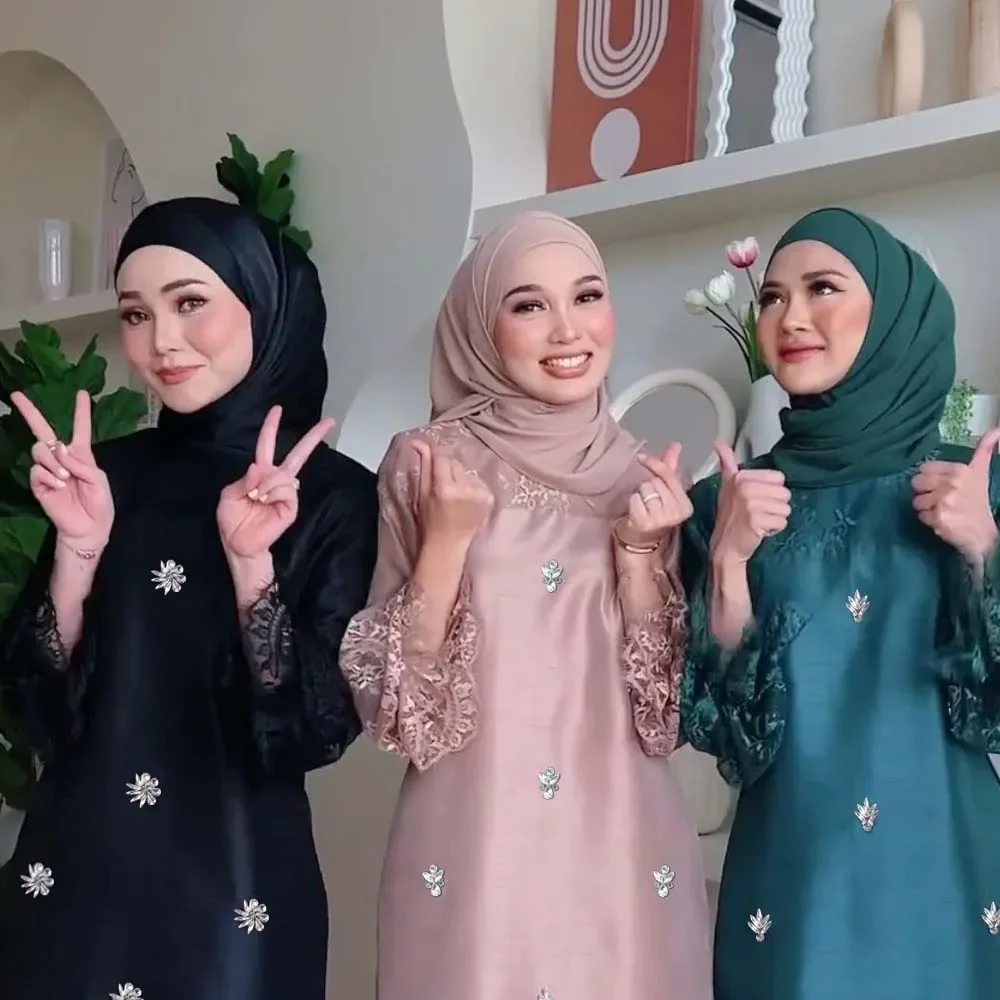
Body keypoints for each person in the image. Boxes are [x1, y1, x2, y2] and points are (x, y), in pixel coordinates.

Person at [0, 197, 378, 999]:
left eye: (190, 303)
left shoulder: (333, 496)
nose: (161, 341)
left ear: (264, 304)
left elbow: (313, 730)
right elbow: (34, 710)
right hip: (73, 880)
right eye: (136, 314)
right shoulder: (101, 478)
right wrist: (78, 552)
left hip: (237, 893)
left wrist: (251, 567)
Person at [340, 210, 714, 999]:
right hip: (477, 848)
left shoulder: (644, 475)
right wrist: (447, 543)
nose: (566, 330)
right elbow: (399, 711)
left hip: (622, 844)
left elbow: (664, 716)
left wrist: (641, 555)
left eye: (586, 296)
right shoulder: (427, 462)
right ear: (481, 327)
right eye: (529, 305)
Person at [681, 206, 1000, 999]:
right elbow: (723, 732)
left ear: (893, 310)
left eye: (822, 288)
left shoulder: (976, 487)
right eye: (772, 297)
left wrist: (981, 551)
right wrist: (727, 560)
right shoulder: (727, 502)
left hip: (944, 867)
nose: (791, 318)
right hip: (792, 878)